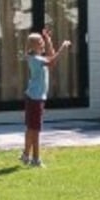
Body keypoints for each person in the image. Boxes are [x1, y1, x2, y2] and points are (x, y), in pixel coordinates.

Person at [21, 28, 71, 167]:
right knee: (35, 130)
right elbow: (52, 61)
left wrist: (49, 40)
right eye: (40, 42)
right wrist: (63, 47)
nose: (42, 43)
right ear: (33, 46)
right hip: (35, 99)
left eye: (42, 41)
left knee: (32, 128)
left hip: (36, 98)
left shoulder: (37, 57)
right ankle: (35, 159)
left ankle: (26, 155)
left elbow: (51, 58)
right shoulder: (35, 59)